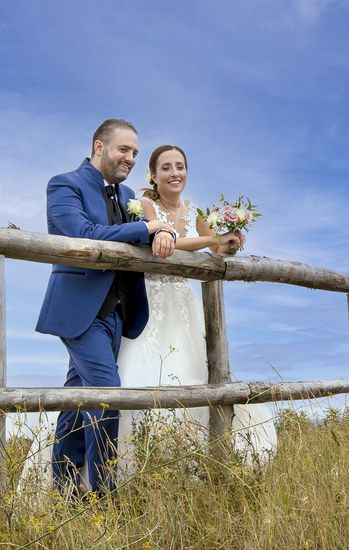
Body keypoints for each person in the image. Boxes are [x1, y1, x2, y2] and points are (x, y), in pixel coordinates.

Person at [35, 119, 178, 496]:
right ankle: (103, 496)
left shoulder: (128, 192)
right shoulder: (64, 184)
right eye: (123, 149)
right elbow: (82, 235)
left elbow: (148, 234)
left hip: (118, 312)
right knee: (108, 395)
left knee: (75, 399)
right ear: (99, 147)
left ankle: (64, 489)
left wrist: (161, 230)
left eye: (134, 152)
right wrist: (145, 229)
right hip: (79, 312)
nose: (130, 158)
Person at [116, 144, 277, 473]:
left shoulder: (197, 213)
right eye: (166, 168)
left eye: (180, 167)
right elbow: (169, 244)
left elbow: (216, 251)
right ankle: (142, 459)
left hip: (185, 304)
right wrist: (209, 242)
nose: (174, 174)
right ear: (154, 175)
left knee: (198, 371)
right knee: (147, 373)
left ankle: (199, 458)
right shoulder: (145, 206)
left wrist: (229, 242)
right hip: (152, 299)